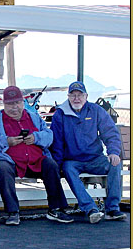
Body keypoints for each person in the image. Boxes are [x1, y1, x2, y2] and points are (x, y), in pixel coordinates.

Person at [0, 86, 73, 226]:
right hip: (10, 161)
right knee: (2, 168)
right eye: (10, 104)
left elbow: (49, 136)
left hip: (35, 160)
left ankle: (56, 209)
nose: (14, 107)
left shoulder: (34, 117)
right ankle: (13, 212)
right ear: (4, 104)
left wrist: (36, 138)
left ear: (23, 102)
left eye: (17, 103)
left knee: (51, 165)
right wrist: (6, 141)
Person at [50, 81, 126, 223]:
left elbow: (110, 133)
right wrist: (57, 165)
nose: (76, 98)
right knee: (68, 169)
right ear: (68, 97)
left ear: (86, 96)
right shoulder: (60, 114)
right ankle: (90, 209)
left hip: (95, 159)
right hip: (72, 161)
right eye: (73, 95)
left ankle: (112, 209)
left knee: (115, 164)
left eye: (80, 95)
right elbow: (57, 143)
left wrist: (114, 152)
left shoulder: (96, 110)